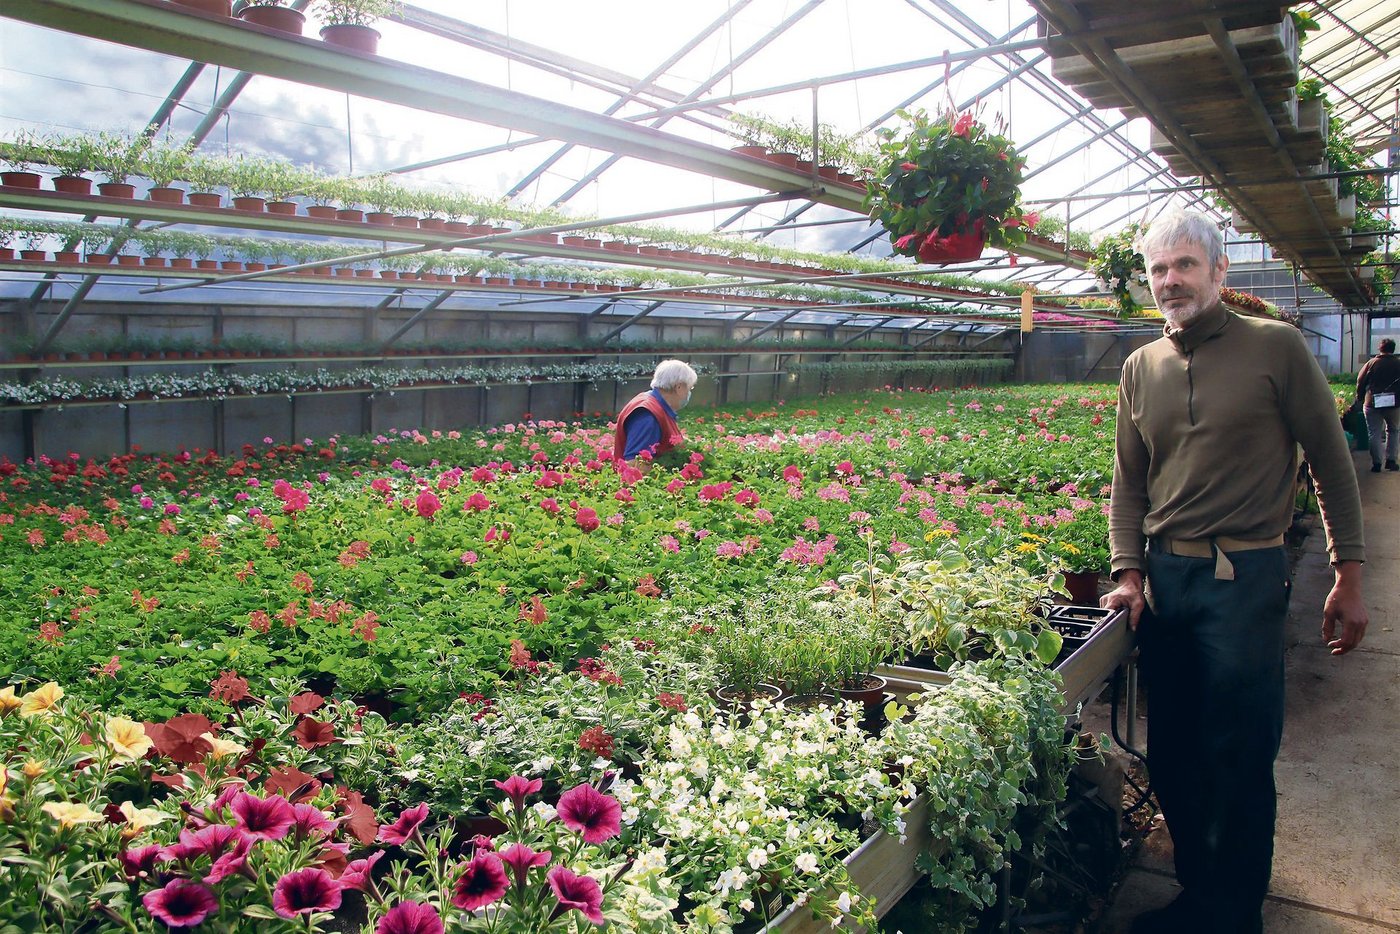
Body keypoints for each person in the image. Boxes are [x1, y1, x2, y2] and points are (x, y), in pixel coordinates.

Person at [1100, 210, 1368, 934]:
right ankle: (1199, 894)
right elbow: (1128, 483)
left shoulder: (1274, 349)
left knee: (1241, 753)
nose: (1171, 280)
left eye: (1185, 264)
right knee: (1175, 750)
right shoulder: (1141, 367)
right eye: (1159, 269)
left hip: (1244, 578)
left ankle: (1237, 911)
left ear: (1220, 271)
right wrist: (1128, 573)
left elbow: (1330, 462)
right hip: (1167, 583)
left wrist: (1349, 568)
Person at [612, 359, 697, 465]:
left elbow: (664, 438)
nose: (689, 393)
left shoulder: (657, 405)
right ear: (678, 387)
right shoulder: (648, 414)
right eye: (689, 388)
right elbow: (634, 463)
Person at [1353, 337, 1400, 472]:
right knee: (1393, 430)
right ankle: (1391, 461)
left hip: (1372, 402)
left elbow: (1360, 381)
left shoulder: (1371, 363)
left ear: (1380, 349)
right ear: (1393, 349)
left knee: (1374, 432)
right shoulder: (1398, 364)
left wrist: (1360, 397)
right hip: (1394, 403)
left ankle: (1377, 463)